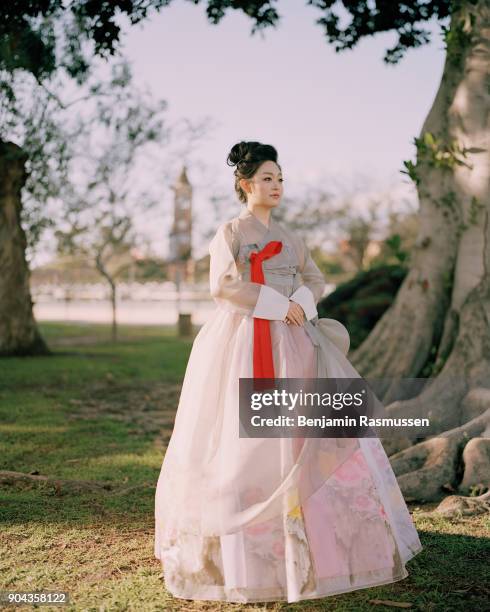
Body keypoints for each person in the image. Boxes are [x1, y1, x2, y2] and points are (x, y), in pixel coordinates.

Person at [154, 141, 422, 604]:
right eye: (266, 179)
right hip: (245, 339)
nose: (276, 186)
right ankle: (246, 548)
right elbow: (223, 285)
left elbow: (314, 277)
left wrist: (300, 300)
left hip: (295, 340)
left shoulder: (294, 238)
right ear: (245, 185)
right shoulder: (230, 232)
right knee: (247, 436)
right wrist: (274, 304)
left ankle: (317, 540)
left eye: (279, 179)